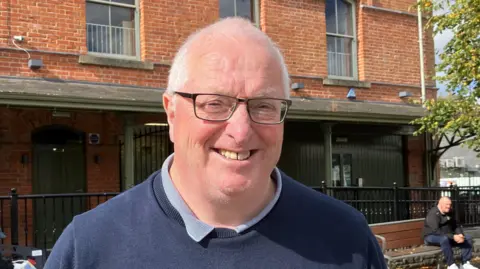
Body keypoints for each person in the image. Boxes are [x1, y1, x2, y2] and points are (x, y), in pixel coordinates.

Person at [44, 17, 387, 268]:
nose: (240, 131)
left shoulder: (346, 239)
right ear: (171, 113)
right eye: (213, 104)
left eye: (263, 105)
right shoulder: (89, 248)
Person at [423, 196, 477, 269]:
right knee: (444, 239)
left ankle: (465, 263)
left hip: (447, 236)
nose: (449, 206)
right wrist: (453, 236)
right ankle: (451, 265)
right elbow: (436, 231)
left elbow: (456, 225)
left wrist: (460, 234)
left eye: (450, 204)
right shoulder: (433, 213)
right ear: (440, 204)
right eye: (447, 204)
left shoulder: (450, 212)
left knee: (467, 238)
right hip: (431, 236)